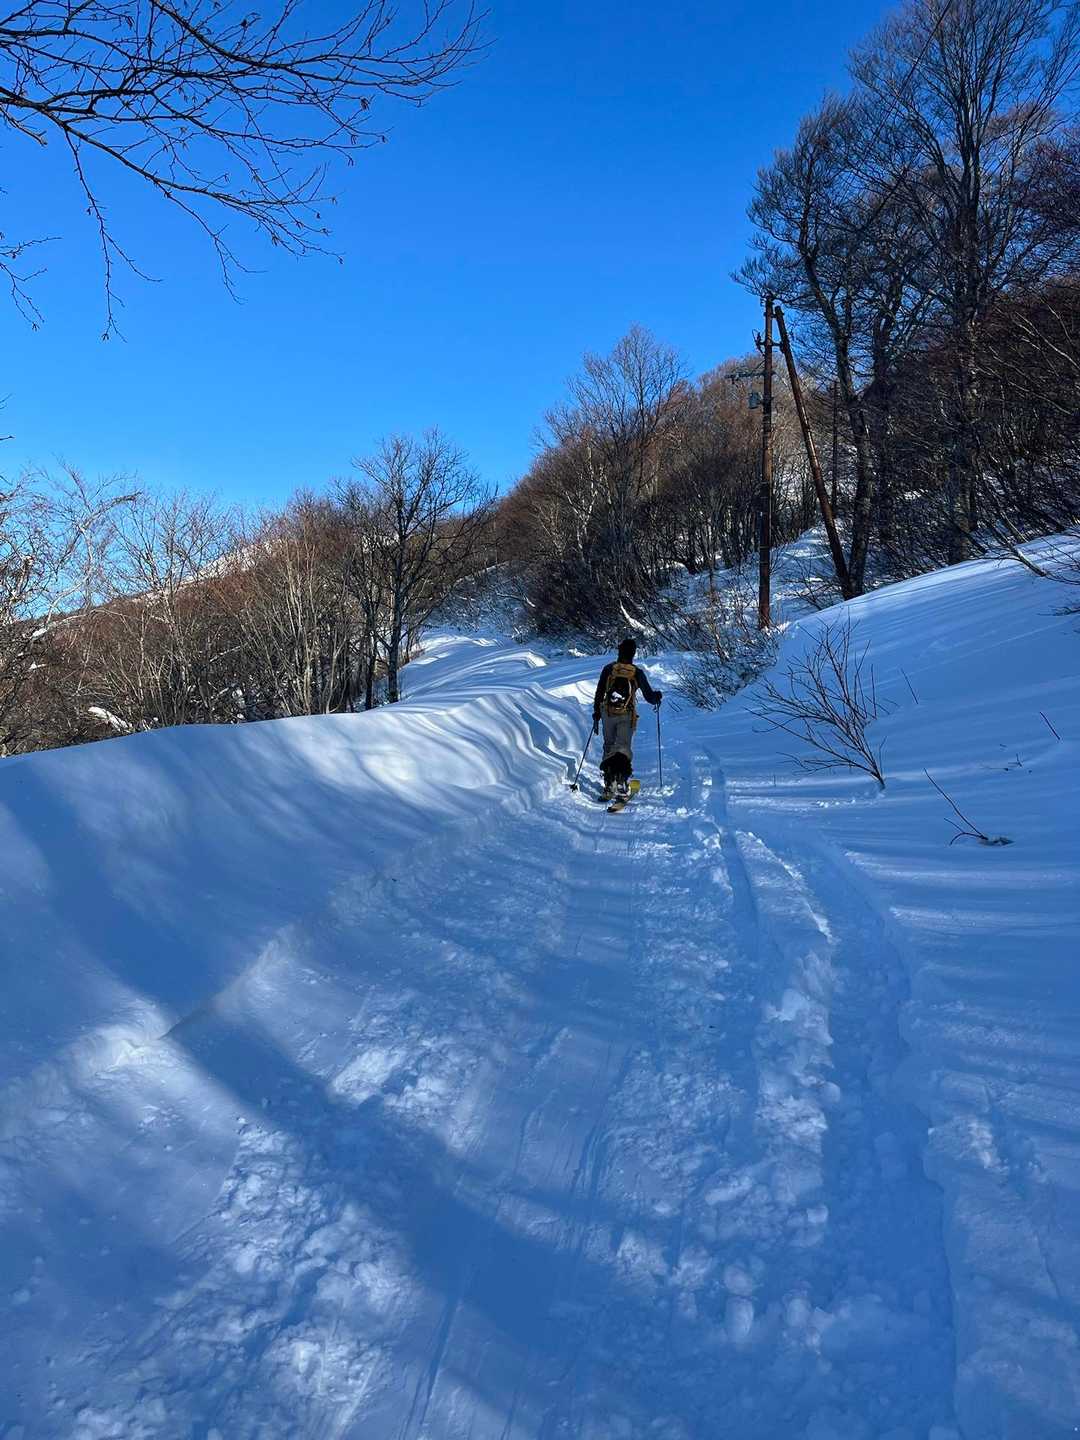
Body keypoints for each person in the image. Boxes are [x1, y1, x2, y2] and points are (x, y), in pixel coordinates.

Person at [592, 638, 662, 800]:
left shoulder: (609, 669)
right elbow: (649, 697)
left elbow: (600, 692)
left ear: (619, 651)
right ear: (633, 654)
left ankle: (609, 785)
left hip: (607, 713)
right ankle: (622, 784)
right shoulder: (636, 672)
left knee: (609, 746)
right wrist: (657, 697)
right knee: (622, 748)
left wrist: (597, 712)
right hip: (626, 714)